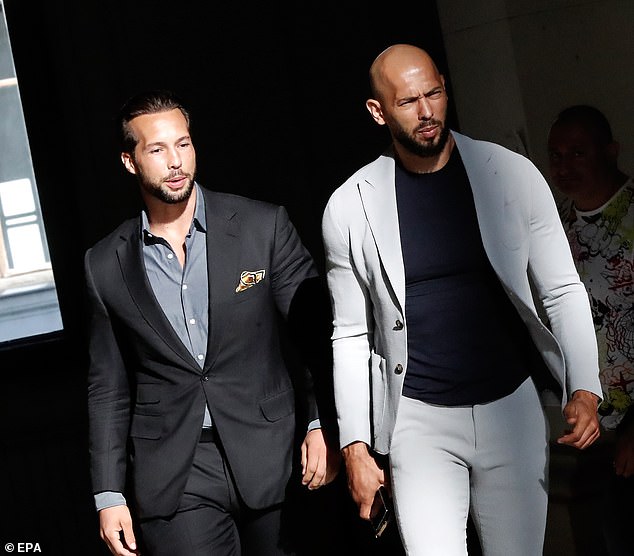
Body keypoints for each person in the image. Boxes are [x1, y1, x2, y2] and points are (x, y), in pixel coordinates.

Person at [320, 43, 602, 555]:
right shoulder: (350, 205)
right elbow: (350, 333)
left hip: (510, 406)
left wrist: (583, 387)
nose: (426, 112)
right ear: (377, 111)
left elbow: (561, 288)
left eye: (434, 93)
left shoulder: (510, 174)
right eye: (408, 102)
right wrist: (356, 446)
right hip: (417, 417)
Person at [85, 89, 340, 556]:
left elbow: (316, 334)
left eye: (183, 144)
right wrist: (108, 493)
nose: (175, 161)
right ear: (129, 161)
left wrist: (323, 422)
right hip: (175, 471)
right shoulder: (104, 264)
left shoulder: (262, 226)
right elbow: (108, 387)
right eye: (157, 149)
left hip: (274, 451)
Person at [548, 104, 634, 556]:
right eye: (556, 155)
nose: (565, 166)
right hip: (594, 423)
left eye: (577, 153)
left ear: (610, 152)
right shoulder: (556, 228)